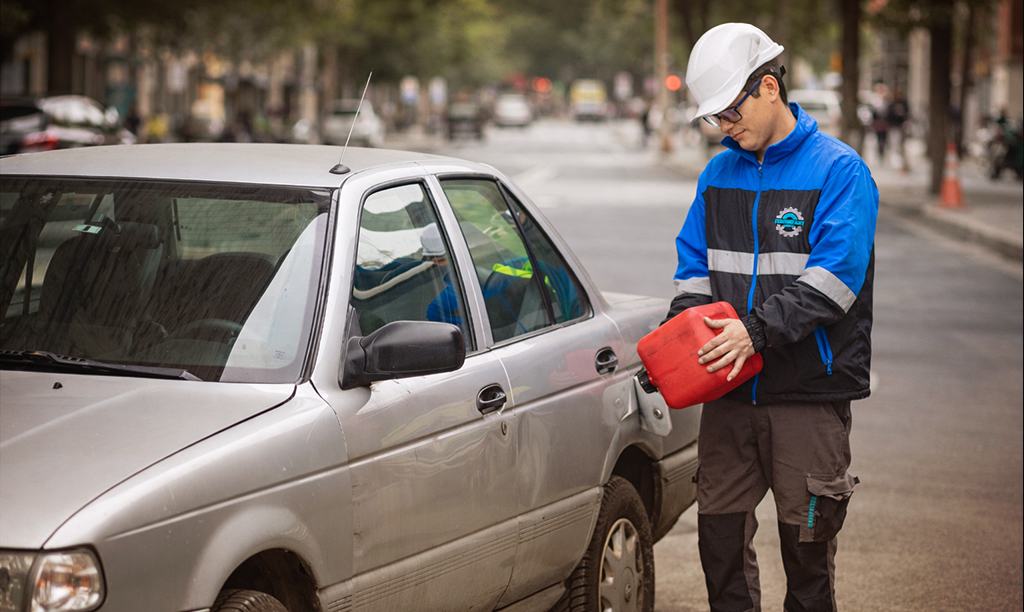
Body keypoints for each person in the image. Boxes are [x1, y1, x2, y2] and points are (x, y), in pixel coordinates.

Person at [669, 23, 878, 612]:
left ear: (767, 87)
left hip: (807, 395)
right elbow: (693, 271)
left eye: (730, 115)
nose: (724, 130)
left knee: (807, 563)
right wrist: (687, 331)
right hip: (729, 395)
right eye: (715, 120)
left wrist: (754, 331)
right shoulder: (717, 176)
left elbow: (834, 282)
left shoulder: (840, 172)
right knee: (720, 553)